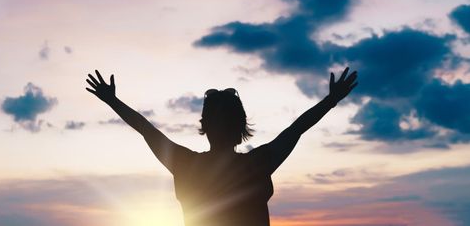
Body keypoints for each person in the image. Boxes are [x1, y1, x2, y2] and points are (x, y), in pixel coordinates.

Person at [86, 67, 357, 226]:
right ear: (241, 126)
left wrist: (113, 101)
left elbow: (146, 130)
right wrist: (330, 100)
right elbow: (296, 129)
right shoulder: (257, 164)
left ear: (204, 125)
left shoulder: (186, 164)